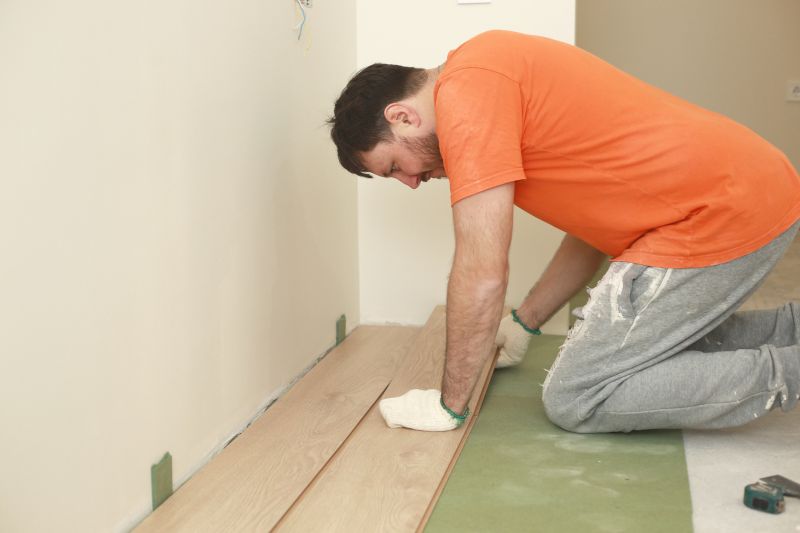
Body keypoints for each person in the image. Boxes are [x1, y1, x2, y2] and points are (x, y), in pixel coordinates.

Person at [326, 30, 800, 433]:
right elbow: (592, 230)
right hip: (733, 191)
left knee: (579, 395)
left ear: (402, 116)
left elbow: (482, 271)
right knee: (625, 341)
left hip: (717, 210)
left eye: (393, 167)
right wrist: (526, 321)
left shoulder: (466, 100)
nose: (410, 182)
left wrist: (448, 404)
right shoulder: (483, 70)